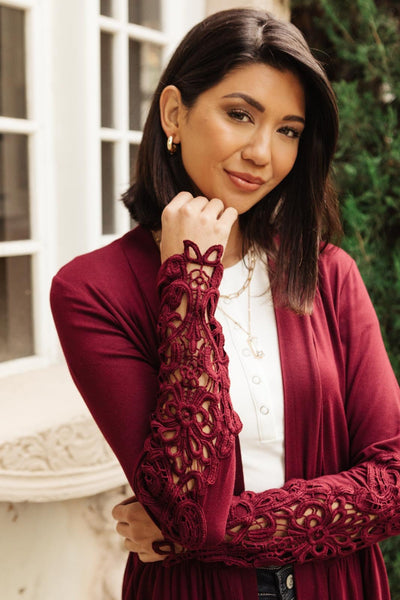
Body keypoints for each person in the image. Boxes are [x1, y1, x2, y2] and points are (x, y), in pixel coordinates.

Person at [50, 8, 400, 600]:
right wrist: (189, 279)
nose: (263, 152)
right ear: (174, 114)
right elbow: (188, 506)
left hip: (337, 586)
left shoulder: (326, 273)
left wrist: (208, 533)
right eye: (240, 115)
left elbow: (393, 484)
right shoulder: (92, 291)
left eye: (288, 130)